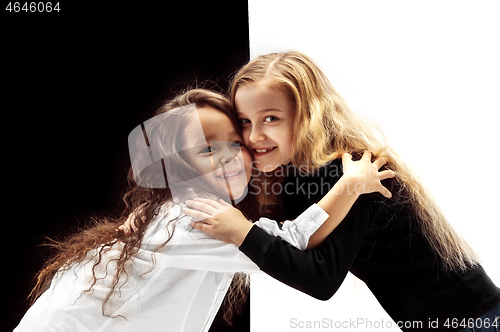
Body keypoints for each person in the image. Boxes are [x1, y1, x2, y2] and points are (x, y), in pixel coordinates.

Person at [16, 88, 393, 332]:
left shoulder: (184, 215)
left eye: (235, 142)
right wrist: (352, 184)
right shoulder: (191, 219)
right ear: (180, 165)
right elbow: (293, 243)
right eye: (208, 149)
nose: (230, 157)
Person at [187, 52, 500, 331]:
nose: (254, 135)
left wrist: (242, 233)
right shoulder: (295, 176)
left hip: (474, 319)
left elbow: (320, 278)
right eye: (244, 121)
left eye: (271, 118)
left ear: (307, 115)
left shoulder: (349, 172)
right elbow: (291, 238)